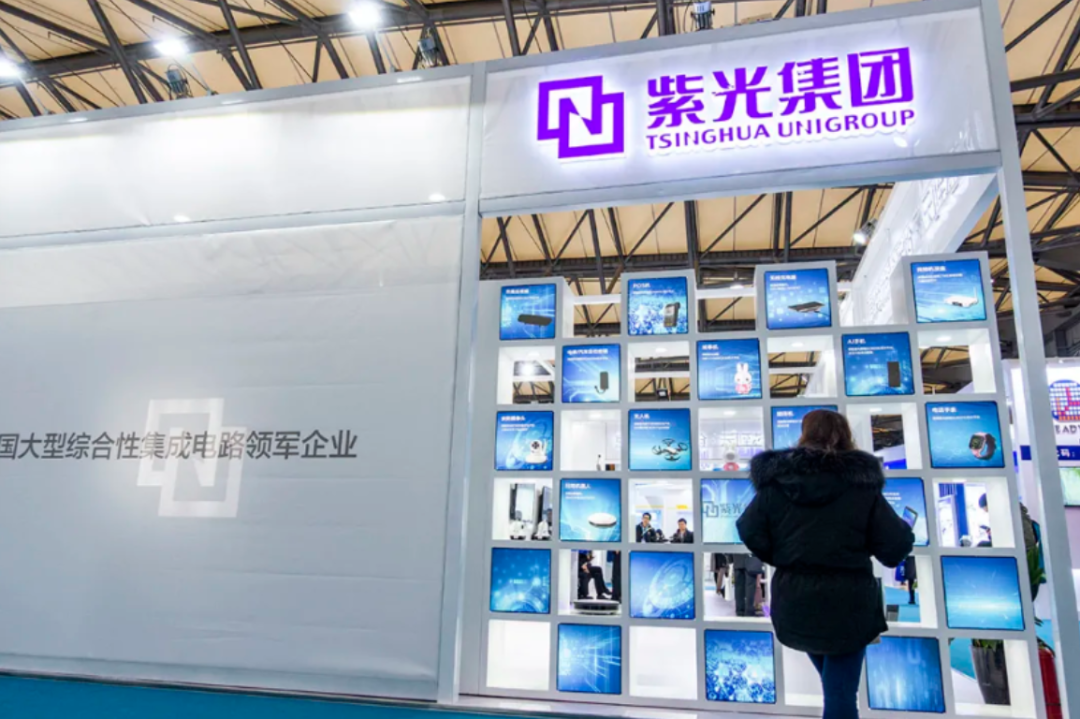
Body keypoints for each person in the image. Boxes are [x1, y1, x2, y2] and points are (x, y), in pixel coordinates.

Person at [737, 409, 913, 719]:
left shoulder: (776, 484)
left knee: (835, 689)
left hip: (796, 599)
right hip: (848, 603)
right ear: (844, 435)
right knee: (840, 694)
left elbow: (749, 528)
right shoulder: (861, 485)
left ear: (804, 435)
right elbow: (894, 546)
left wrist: (783, 558)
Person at [732, 553, 764, 617]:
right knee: (750, 586)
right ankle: (749, 611)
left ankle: (740, 611)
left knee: (739, 587)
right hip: (751, 559)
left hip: (738, 558)